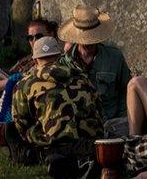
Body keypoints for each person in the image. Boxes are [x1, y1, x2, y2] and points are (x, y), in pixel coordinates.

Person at [8, 36, 101, 175]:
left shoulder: (24, 84)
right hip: (89, 142)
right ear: (59, 57)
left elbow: (21, 123)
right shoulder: (81, 76)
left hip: (55, 143)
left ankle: (35, 156)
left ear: (35, 61)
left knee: (10, 129)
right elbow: (99, 109)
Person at [59, 4, 132, 135]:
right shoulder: (65, 63)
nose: (90, 43)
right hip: (80, 129)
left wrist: (122, 119)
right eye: (86, 39)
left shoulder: (114, 57)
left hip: (113, 123)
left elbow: (126, 90)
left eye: (93, 37)